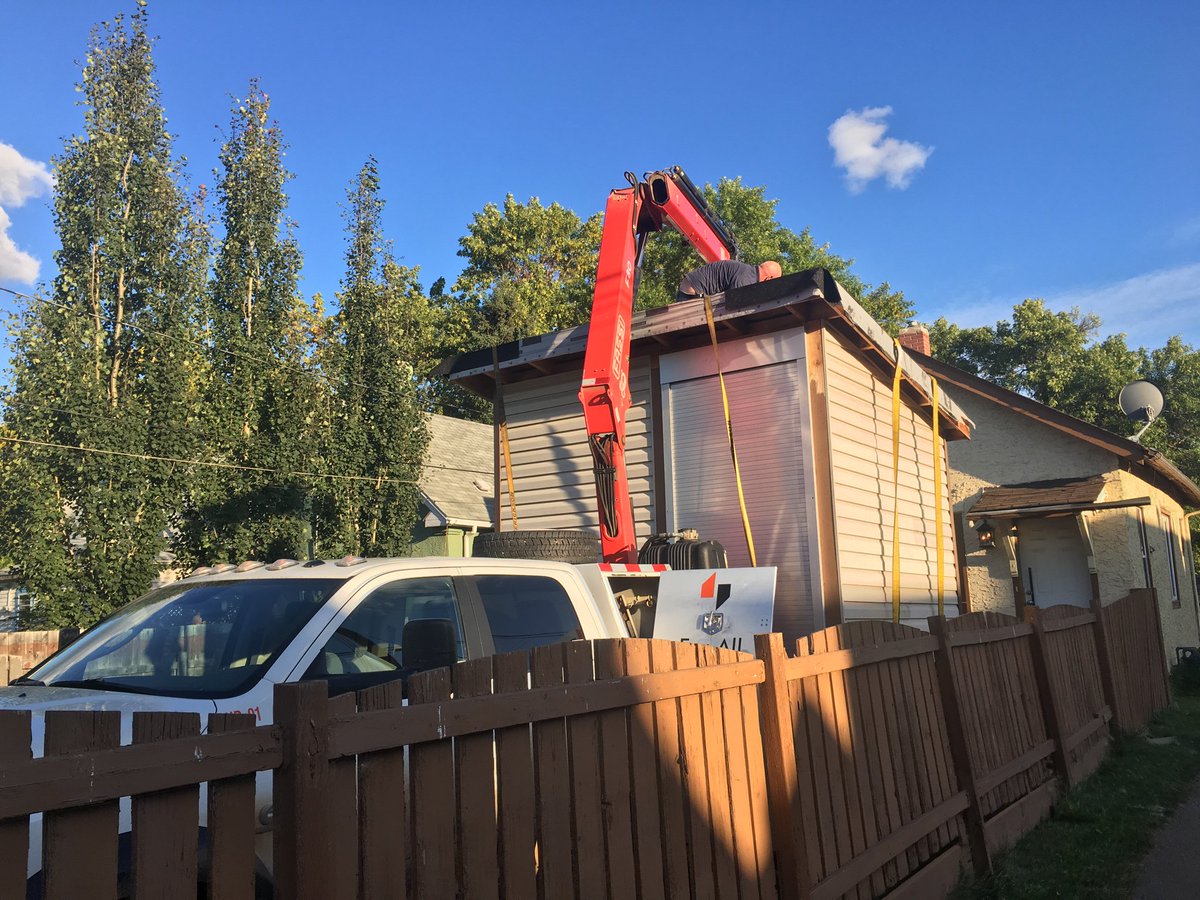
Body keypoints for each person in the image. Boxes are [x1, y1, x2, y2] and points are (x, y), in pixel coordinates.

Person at [677, 259, 782, 300]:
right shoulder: (746, 280)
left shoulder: (747, 272)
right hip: (692, 291)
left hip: (692, 287)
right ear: (769, 279)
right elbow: (733, 303)